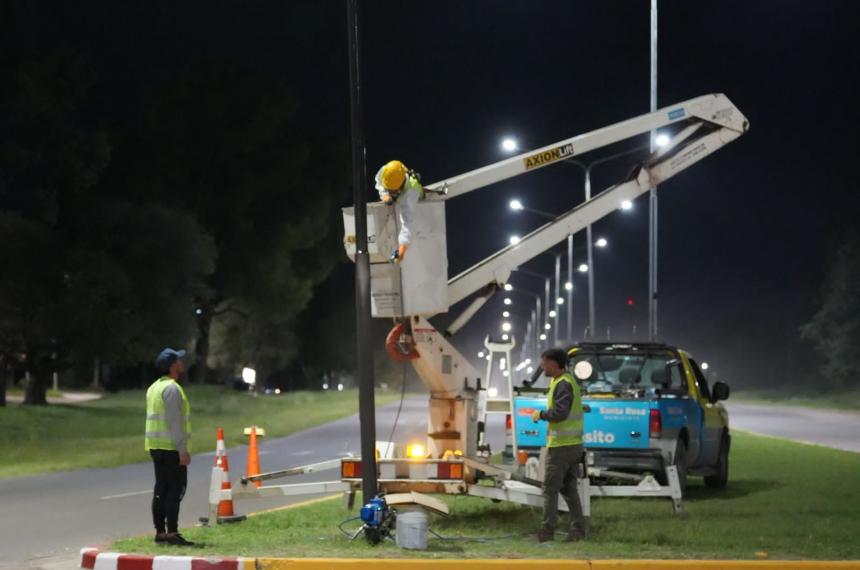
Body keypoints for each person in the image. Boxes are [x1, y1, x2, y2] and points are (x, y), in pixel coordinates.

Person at [531, 348, 588, 542]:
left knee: (550, 489)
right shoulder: (566, 381)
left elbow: (560, 413)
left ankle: (547, 532)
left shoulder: (563, 384)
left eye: (545, 362)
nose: (542, 366)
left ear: (555, 364)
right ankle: (578, 530)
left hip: (561, 447)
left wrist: (541, 414)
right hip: (573, 445)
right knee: (569, 489)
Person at [145, 348, 194, 546]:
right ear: (173, 366)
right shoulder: (172, 389)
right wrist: (182, 450)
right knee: (176, 489)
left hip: (156, 447)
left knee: (161, 488)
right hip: (171, 448)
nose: (182, 363)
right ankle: (172, 532)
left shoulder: (153, 388)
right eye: (179, 360)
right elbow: (175, 422)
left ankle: (160, 532)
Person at [374, 160, 425, 263]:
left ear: (400, 187)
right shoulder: (388, 171)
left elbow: (408, 223)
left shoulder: (410, 194)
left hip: (417, 201)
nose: (390, 192)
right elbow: (378, 180)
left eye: (392, 191)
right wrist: (384, 194)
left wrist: (401, 250)